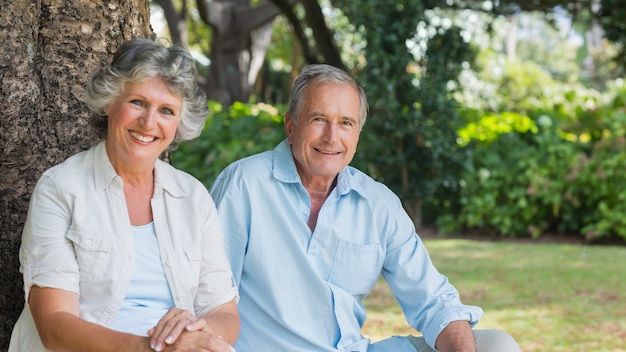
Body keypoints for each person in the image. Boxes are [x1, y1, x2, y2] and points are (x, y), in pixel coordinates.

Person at [209, 64, 521, 352]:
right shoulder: (244, 184)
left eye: (346, 123)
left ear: (358, 134)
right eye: (319, 119)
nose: (332, 137)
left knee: (496, 345)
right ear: (291, 127)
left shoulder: (378, 203)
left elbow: (433, 300)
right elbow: (209, 296)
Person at [9, 38, 239, 352]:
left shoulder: (193, 198)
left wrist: (196, 333)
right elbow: (54, 325)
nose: (149, 122)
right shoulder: (61, 189)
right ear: (108, 102)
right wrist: (152, 348)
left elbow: (224, 313)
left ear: (178, 124)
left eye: (166, 110)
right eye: (137, 102)